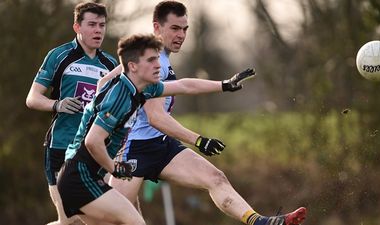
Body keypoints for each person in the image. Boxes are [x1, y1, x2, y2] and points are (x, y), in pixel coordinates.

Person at [103, 1, 307, 225]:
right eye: (175, 28)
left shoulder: (153, 58)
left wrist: (224, 84)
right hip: (134, 149)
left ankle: (260, 222)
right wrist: (198, 140)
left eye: (185, 29)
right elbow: (156, 117)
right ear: (157, 27)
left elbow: (184, 85)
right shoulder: (151, 63)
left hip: (161, 145)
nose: (181, 35)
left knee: (215, 177)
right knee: (108, 219)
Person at [56, 33, 255, 225]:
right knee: (135, 222)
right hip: (79, 177)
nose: (158, 65)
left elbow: (184, 86)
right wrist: (114, 168)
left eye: (157, 59)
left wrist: (224, 85)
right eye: (151, 60)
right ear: (132, 66)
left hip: (79, 177)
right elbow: (93, 141)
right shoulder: (119, 96)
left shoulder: (143, 88)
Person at [25, 2, 117, 225]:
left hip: (93, 152)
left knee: (98, 219)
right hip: (60, 147)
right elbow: (32, 98)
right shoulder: (59, 56)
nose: (98, 30)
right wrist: (57, 104)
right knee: (68, 220)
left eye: (102, 25)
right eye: (92, 25)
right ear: (77, 27)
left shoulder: (111, 64)